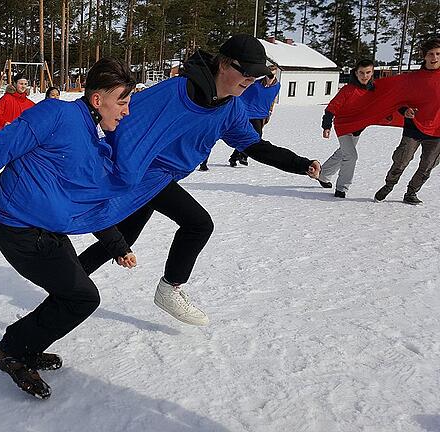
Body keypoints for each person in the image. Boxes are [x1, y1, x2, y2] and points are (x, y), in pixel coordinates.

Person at [77, 35, 320, 326]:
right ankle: (170, 287)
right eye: (247, 73)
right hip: (144, 173)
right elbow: (121, 115)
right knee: (198, 223)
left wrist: (300, 164)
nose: (251, 80)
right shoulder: (175, 90)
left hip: (161, 178)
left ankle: (68, 278)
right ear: (225, 64)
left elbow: (254, 146)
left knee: (124, 238)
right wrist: (120, 162)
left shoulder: (230, 108)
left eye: (257, 76)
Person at [0, 58, 137, 400]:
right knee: (82, 298)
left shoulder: (93, 139)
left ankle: (22, 345)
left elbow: (88, 202)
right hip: (20, 231)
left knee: (71, 294)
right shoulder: (55, 114)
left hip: (51, 231)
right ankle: (14, 350)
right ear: (97, 99)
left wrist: (117, 245)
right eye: (122, 101)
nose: (127, 111)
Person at [374, 38, 440, 205]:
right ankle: (389, 185)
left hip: (437, 131)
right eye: (431, 54)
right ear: (424, 56)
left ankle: (411, 193)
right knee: (401, 160)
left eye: (438, 54)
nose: (435, 57)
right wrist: (405, 110)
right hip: (414, 127)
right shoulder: (412, 78)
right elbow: (397, 100)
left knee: (427, 166)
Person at [199, 65, 281, 171]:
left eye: (273, 73)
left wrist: (270, 111)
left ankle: (236, 157)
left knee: (253, 138)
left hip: (261, 115)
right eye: (269, 73)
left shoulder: (277, 86)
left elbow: (272, 100)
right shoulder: (255, 84)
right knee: (215, 134)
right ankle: (204, 162)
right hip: (245, 112)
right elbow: (239, 92)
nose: (270, 76)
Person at [317, 59, 376, 198]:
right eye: (361, 73)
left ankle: (323, 175)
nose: (364, 76)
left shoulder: (375, 90)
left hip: (357, 128)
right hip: (343, 126)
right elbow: (332, 108)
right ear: (356, 73)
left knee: (343, 152)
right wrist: (326, 126)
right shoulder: (348, 90)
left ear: (372, 73)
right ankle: (341, 189)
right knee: (351, 156)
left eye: (368, 72)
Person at [0, 72, 36, 190]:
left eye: (25, 84)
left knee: (18, 161)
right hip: (4, 135)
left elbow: (37, 117)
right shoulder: (6, 98)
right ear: (14, 84)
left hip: (20, 138)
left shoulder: (30, 103)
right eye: (21, 83)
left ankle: (14, 182)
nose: (23, 86)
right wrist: (4, 123)